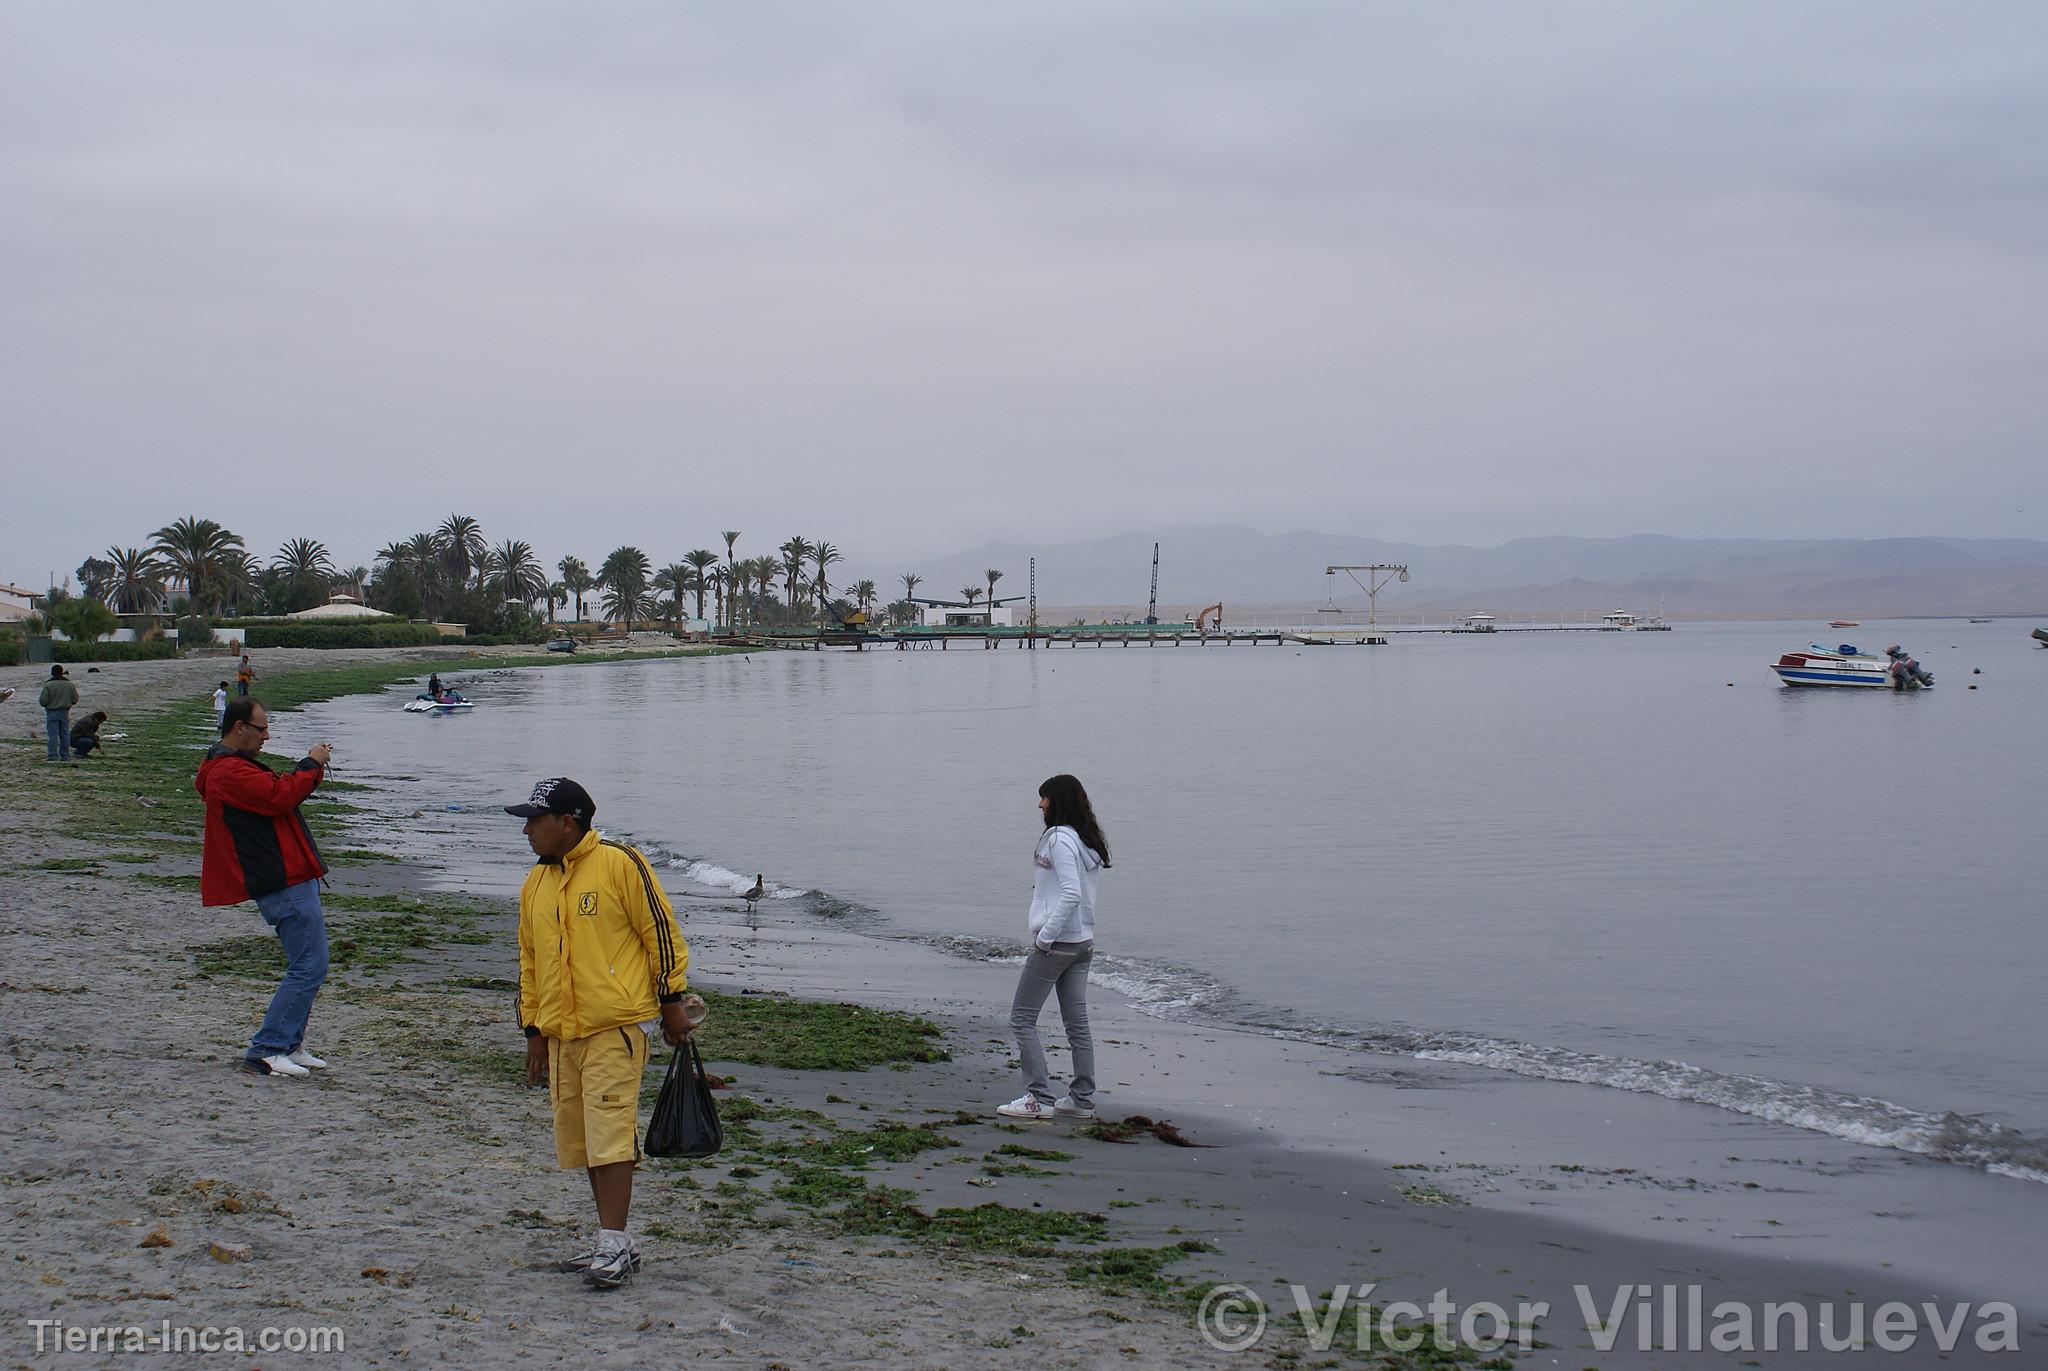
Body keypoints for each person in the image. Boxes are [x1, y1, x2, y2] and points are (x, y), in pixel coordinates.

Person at [507, 777, 692, 1289]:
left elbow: (661, 932)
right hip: (563, 1032)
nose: (527, 830)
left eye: (535, 820)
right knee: (586, 1138)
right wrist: (534, 1030)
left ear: (568, 822)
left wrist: (671, 1000)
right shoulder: (536, 883)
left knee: (610, 1135)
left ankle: (614, 1241)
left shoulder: (619, 864)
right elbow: (529, 960)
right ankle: (613, 1240)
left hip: (616, 1025)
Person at [196, 696, 335, 1078]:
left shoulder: (233, 767)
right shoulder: (228, 772)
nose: (267, 736)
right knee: (308, 965)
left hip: (288, 877)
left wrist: (310, 769)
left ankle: (289, 1043)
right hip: (279, 879)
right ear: (239, 727)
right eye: (261, 728)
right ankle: (267, 1049)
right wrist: (312, 763)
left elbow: (278, 794)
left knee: (311, 963)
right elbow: (281, 795)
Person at [999, 773, 1110, 1123]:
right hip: (1082, 943)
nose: (1039, 804)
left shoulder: (1061, 839)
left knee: (1022, 1018)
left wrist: (1045, 937)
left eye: (1044, 798)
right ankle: (1081, 1100)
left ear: (1057, 801)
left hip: (1059, 943)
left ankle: (1038, 1097)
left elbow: (1071, 893)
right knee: (1077, 1023)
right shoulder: (1084, 839)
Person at [38, 665, 79, 762]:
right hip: (65, 712)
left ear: (52, 673)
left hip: (52, 712)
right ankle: (65, 756)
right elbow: (75, 699)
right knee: (65, 734)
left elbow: (43, 701)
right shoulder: (69, 685)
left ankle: (53, 756)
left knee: (53, 735)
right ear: (62, 672)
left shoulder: (48, 685)